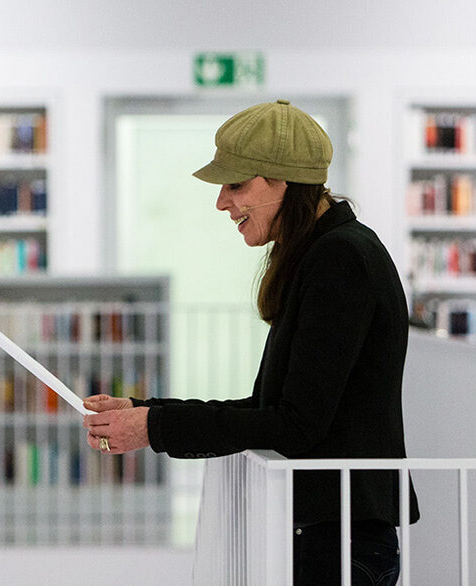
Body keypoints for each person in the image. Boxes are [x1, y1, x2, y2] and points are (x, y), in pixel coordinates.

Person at [82, 99, 420, 585]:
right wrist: (142, 411)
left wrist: (154, 427)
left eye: (236, 185)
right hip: (332, 534)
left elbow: (295, 424)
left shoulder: (340, 258)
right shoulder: (322, 253)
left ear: (282, 181)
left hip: (341, 542)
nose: (223, 202)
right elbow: (269, 409)